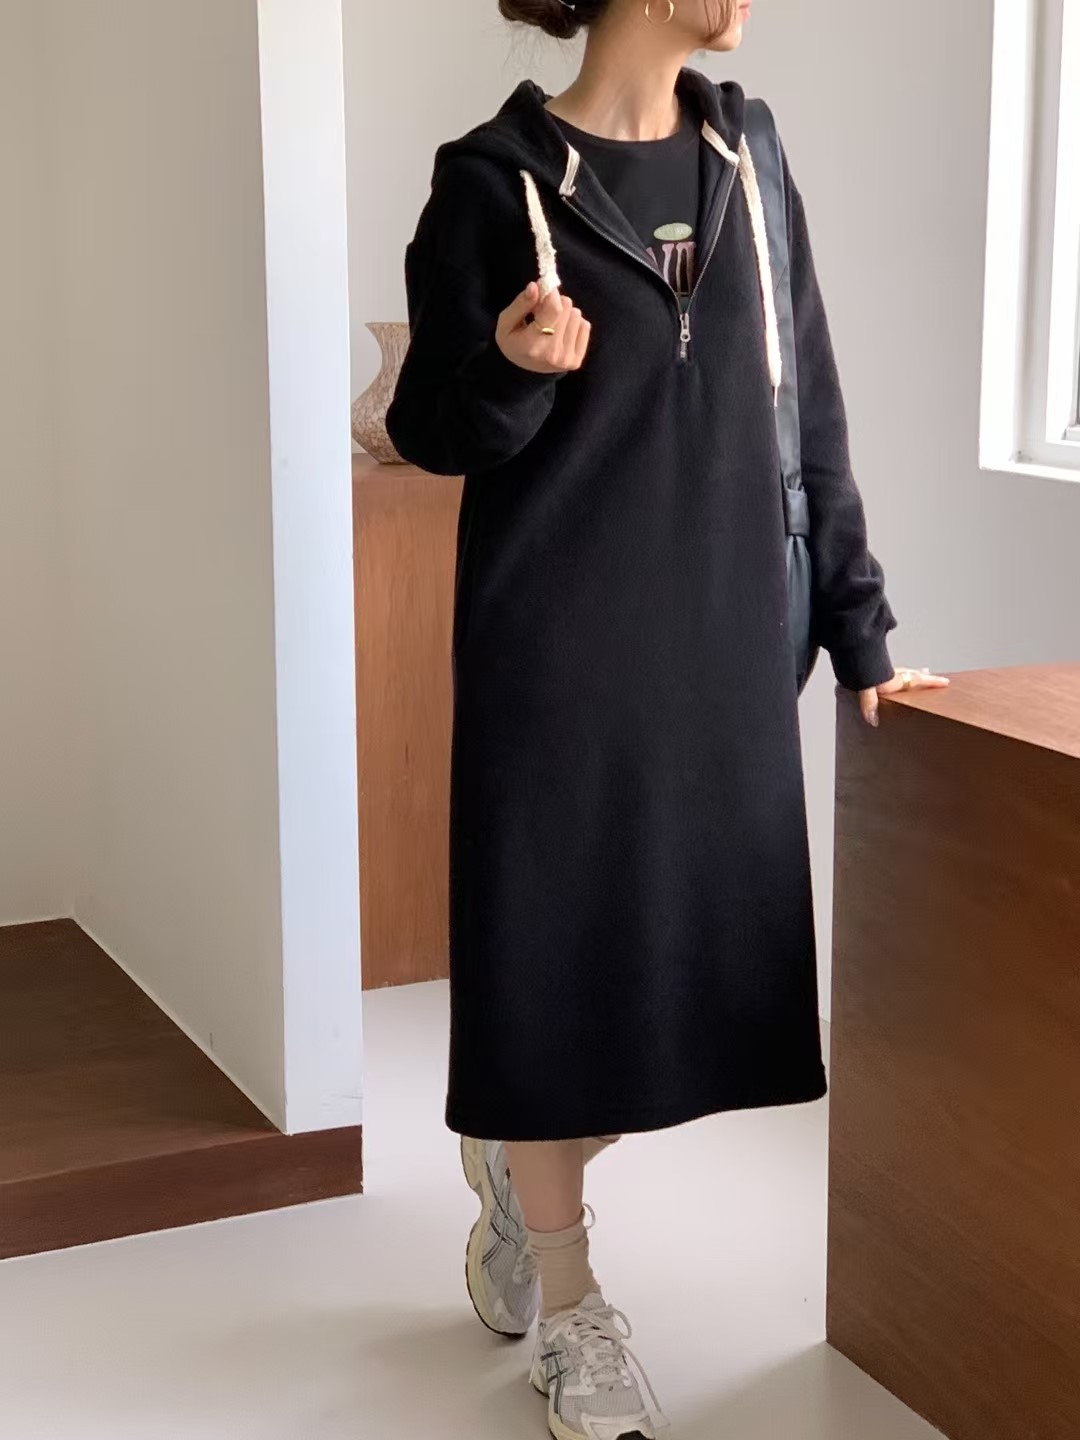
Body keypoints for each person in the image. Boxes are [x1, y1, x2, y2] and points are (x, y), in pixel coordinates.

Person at [387, 1, 948, 1436]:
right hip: (554, 663)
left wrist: (862, 625)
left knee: (690, 987)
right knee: (555, 974)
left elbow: (810, 410)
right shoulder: (491, 178)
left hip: (723, 653)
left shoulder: (751, 156)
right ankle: (570, 1305)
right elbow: (431, 427)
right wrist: (514, 365)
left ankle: (518, 1159)